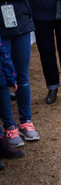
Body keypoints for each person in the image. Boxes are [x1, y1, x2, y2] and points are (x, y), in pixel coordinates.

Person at [0, 0, 39, 146]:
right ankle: (9, 127)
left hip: (20, 23)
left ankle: (26, 122)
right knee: (3, 79)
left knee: (22, 77)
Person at [0, 36, 25, 169]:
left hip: (1, 78)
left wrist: (11, 77)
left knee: (5, 108)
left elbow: (3, 52)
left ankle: (4, 145)